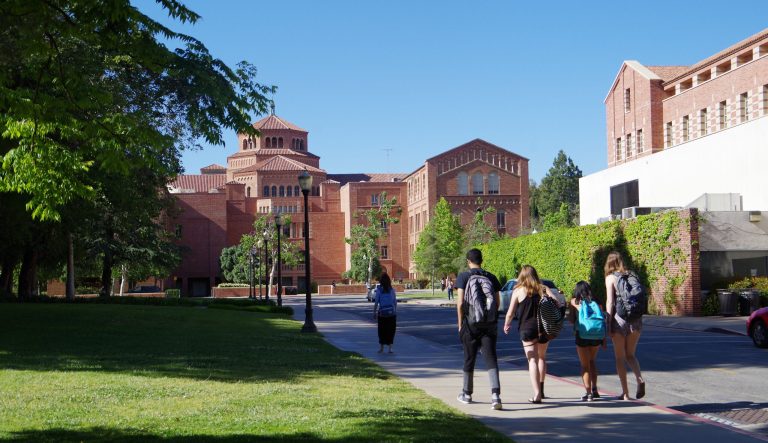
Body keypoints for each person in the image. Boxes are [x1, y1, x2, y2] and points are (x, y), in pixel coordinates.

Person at [503, 264, 559, 404]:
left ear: (522, 276)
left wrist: (507, 324)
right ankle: (541, 389)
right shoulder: (543, 288)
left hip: (527, 328)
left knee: (532, 360)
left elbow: (510, 313)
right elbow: (557, 303)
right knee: (541, 358)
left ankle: (537, 394)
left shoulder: (518, 291)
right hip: (544, 328)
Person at [455, 248, 503, 410]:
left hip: (471, 324)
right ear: (481, 260)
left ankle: (467, 393)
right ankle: (496, 395)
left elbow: (461, 303)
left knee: (469, 358)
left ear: (468, 261)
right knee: (491, 358)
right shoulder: (491, 277)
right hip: (489, 325)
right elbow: (497, 302)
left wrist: (460, 323)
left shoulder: (463, 276)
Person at [604, 251, 646, 400]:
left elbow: (610, 302)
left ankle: (626, 394)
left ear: (609, 263)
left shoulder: (610, 278)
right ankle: (639, 379)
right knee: (631, 355)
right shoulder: (632, 275)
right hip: (636, 320)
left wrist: (608, 322)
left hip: (619, 321)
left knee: (620, 358)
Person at [569, 281, 606, 401]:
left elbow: (571, 320)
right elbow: (602, 319)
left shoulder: (575, 301)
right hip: (597, 335)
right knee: (592, 361)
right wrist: (604, 338)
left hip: (582, 335)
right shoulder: (597, 302)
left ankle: (588, 393)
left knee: (585, 366)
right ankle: (595, 389)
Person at [373, 272, 397, 353]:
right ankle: (390, 348)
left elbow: (376, 302)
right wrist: (395, 311)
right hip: (391, 314)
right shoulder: (392, 290)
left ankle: (381, 348)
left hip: (382, 314)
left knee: (382, 330)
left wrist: (374, 312)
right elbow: (395, 302)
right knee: (391, 330)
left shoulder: (379, 290)